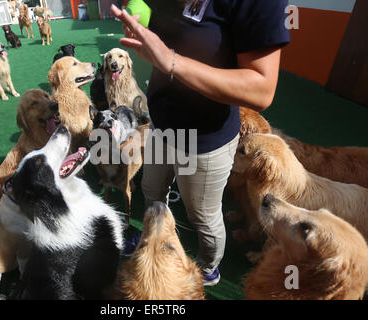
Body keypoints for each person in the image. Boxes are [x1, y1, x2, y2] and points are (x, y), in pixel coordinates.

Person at [111, 0, 290, 286]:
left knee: (201, 216)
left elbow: (262, 90)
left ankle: (208, 268)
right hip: (161, 125)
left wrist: (171, 60)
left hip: (205, 139)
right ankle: (151, 242)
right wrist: (137, 23)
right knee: (151, 190)